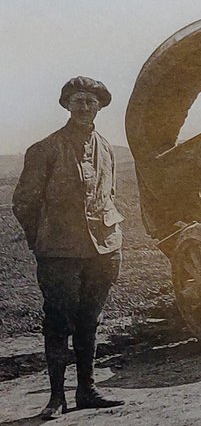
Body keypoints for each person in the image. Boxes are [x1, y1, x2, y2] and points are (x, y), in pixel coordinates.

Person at [12, 77, 125, 419]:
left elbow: (110, 196)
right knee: (59, 323)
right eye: (77, 101)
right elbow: (24, 203)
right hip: (59, 252)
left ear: (100, 107)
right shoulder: (44, 149)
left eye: (91, 102)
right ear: (66, 105)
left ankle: (87, 390)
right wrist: (43, 240)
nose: (84, 107)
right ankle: (56, 397)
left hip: (103, 250)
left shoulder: (106, 148)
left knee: (90, 321)